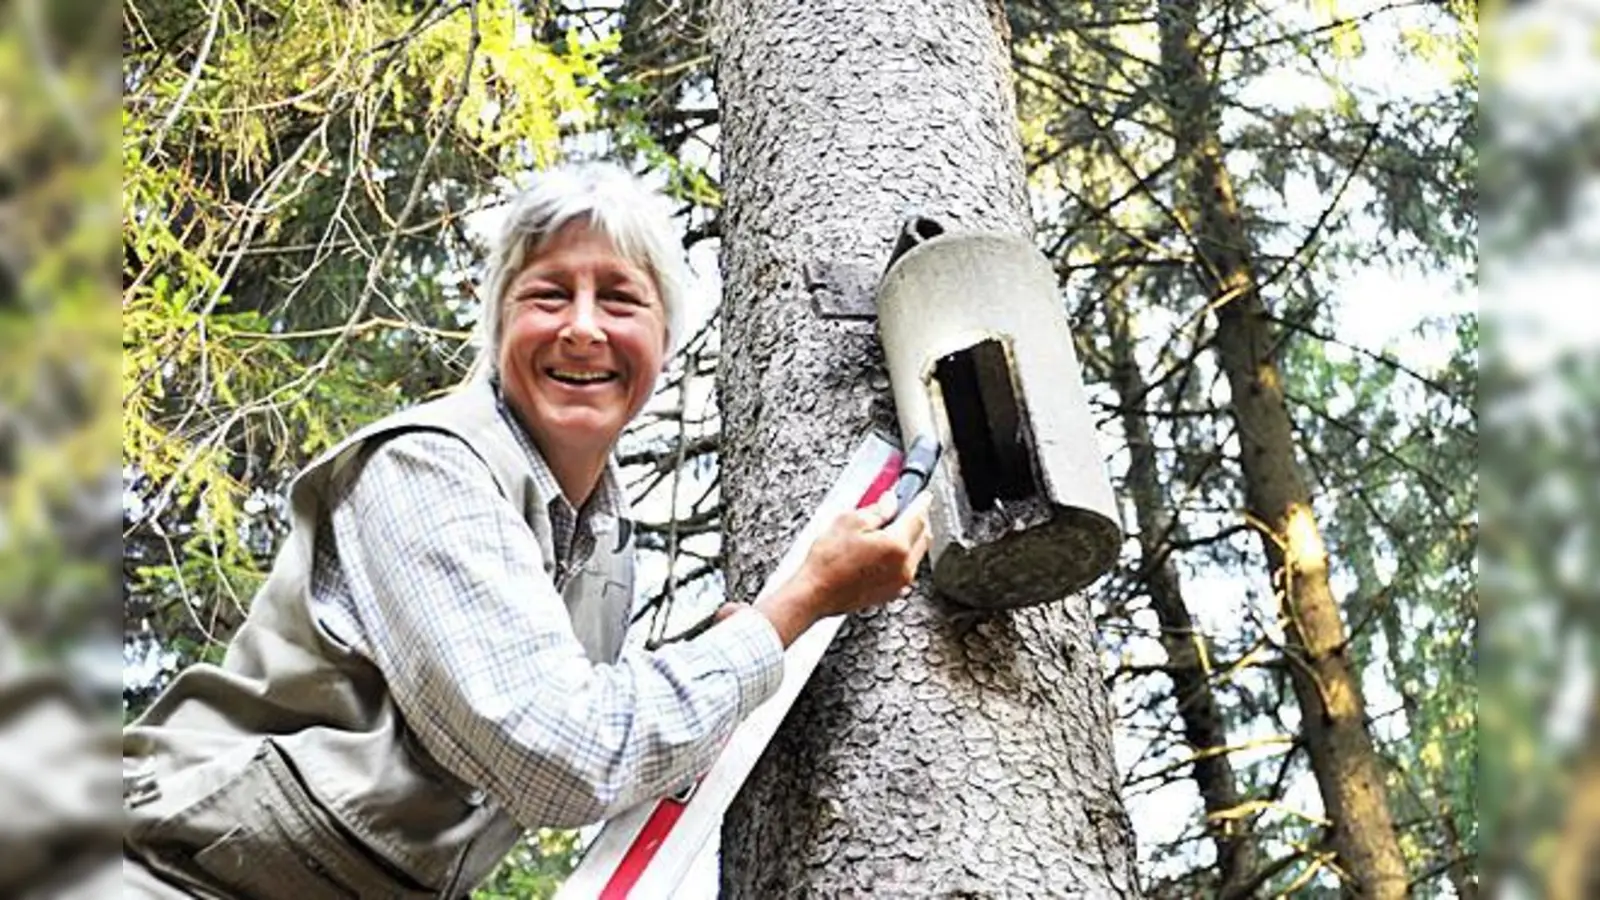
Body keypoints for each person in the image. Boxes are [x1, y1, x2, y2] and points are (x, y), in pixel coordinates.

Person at [122, 163, 932, 898]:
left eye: (620, 299)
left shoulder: (603, 548)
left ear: (664, 341)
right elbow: (560, 758)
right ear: (499, 328)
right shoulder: (427, 469)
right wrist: (791, 611)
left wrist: (720, 664)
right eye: (549, 295)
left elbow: (580, 740)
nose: (583, 328)